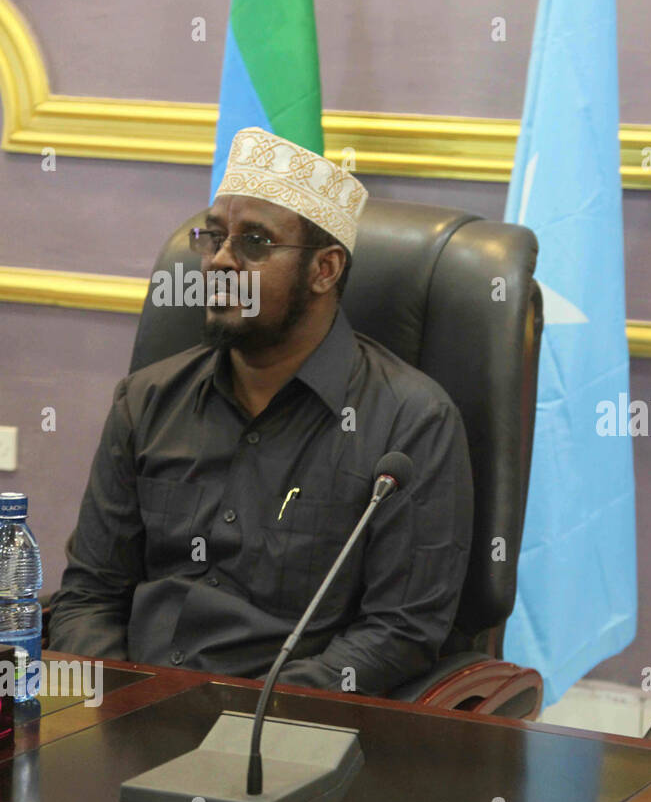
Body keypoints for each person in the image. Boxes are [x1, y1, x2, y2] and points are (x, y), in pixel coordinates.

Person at [49, 127, 473, 696]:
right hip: (126, 708)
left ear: (324, 270)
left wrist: (252, 717)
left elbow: (400, 630)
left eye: (253, 243)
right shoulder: (147, 400)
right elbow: (90, 595)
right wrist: (116, 699)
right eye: (214, 237)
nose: (220, 262)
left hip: (280, 733)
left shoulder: (410, 422)